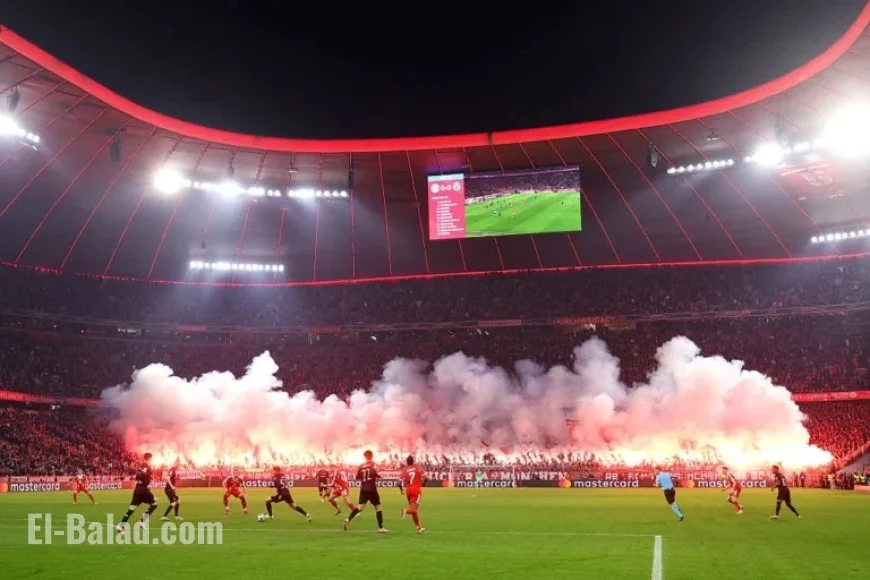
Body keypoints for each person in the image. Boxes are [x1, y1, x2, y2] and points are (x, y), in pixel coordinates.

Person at [343, 450, 387, 533]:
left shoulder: (361, 466)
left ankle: (348, 519)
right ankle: (380, 528)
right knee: (378, 507)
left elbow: (357, 477)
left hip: (363, 489)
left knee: (360, 508)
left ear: (365, 457)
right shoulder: (373, 464)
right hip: (372, 489)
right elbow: (374, 473)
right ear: (372, 456)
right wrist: (379, 476)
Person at [116, 452, 158, 532]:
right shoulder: (148, 468)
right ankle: (142, 522)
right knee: (154, 504)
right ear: (149, 458)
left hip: (137, 489)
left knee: (132, 509)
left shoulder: (140, 467)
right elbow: (147, 483)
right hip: (144, 490)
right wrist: (152, 495)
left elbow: (137, 477)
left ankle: (120, 526)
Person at [399, 455, 427, 534]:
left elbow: (398, 483)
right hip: (416, 491)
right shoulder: (418, 468)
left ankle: (418, 528)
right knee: (413, 509)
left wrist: (401, 490)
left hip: (408, 491)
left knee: (414, 511)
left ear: (407, 462)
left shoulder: (404, 470)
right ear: (413, 461)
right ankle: (405, 511)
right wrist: (423, 484)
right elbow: (426, 477)